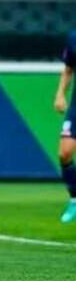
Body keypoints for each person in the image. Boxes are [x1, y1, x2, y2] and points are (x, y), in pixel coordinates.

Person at [54, 30, 76, 223]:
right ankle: (75, 198)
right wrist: (60, 94)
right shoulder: (74, 38)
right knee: (65, 152)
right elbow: (69, 69)